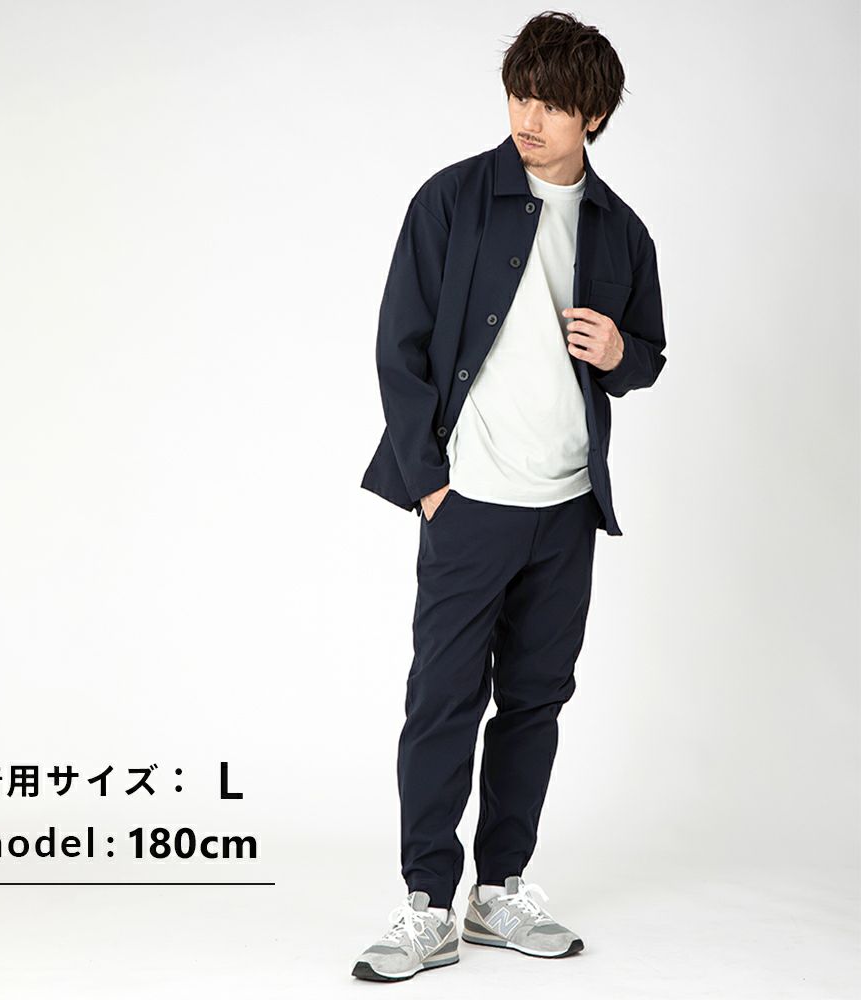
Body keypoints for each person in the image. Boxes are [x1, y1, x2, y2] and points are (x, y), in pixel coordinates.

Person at [352, 11, 668, 983]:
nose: (528, 119)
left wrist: (620, 353)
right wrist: (430, 483)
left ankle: (497, 892)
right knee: (443, 700)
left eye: (551, 105)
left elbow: (646, 355)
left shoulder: (620, 230)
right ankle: (425, 904)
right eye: (518, 97)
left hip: (567, 508)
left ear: (594, 116)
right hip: (471, 502)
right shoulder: (452, 200)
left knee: (535, 701)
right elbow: (399, 347)